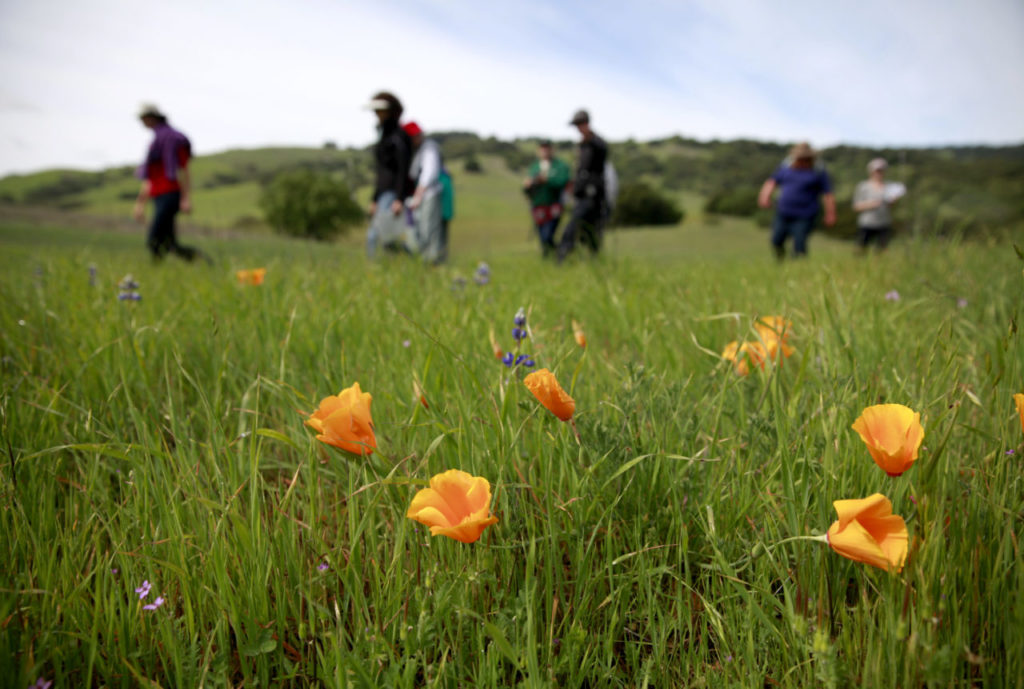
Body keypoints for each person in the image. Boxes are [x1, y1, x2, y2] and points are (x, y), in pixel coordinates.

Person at [132, 104, 201, 262]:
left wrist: (186, 198)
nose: (142, 122)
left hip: (171, 194)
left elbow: (183, 170)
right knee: (169, 243)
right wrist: (140, 204)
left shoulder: (173, 140)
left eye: (144, 118)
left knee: (154, 240)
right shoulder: (155, 144)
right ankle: (202, 262)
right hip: (158, 195)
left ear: (152, 118)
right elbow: (150, 177)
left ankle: (156, 272)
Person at [757, 142, 836, 259]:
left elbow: (827, 194)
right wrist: (764, 197)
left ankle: (798, 268)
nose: (803, 161)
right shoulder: (785, 168)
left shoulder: (818, 172)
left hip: (805, 214)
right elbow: (771, 182)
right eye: (800, 158)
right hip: (783, 211)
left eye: (806, 159)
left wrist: (830, 213)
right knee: (776, 240)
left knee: (799, 243)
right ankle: (781, 262)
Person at [366, 91, 413, 257]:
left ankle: (373, 270)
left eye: (380, 111)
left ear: (390, 111)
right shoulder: (384, 135)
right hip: (383, 193)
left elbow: (402, 169)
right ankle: (410, 259)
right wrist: (374, 199)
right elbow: (381, 171)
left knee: (377, 236)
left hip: (393, 193)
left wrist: (399, 198)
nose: (376, 115)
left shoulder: (398, 136)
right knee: (386, 239)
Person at [557, 110, 609, 262]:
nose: (578, 129)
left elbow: (603, 150)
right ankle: (583, 259)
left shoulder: (596, 142)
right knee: (586, 229)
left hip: (593, 196)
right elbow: (580, 171)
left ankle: (563, 258)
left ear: (586, 123)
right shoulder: (582, 146)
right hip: (581, 195)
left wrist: (589, 138)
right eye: (577, 126)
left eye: (580, 125)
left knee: (577, 228)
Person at [403, 121, 447, 264]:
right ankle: (425, 258)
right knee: (420, 227)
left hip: (430, 193)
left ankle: (432, 260)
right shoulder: (418, 150)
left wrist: (418, 195)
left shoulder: (428, 148)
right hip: (423, 194)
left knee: (429, 228)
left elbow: (429, 172)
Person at [522, 140, 570, 257]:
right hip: (538, 206)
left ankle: (558, 254)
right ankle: (550, 258)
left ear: (551, 150)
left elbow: (563, 182)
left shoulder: (560, 166)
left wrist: (547, 180)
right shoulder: (535, 167)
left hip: (554, 206)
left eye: (547, 148)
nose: (545, 151)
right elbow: (527, 190)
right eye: (542, 148)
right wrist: (527, 185)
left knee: (548, 235)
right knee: (542, 237)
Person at [853, 158, 903, 252]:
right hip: (867, 223)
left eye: (881, 171)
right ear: (871, 171)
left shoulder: (889, 186)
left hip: (884, 223)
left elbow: (891, 206)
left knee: (882, 250)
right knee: (861, 249)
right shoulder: (863, 186)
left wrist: (893, 202)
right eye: (877, 171)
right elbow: (856, 206)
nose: (879, 173)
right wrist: (871, 204)